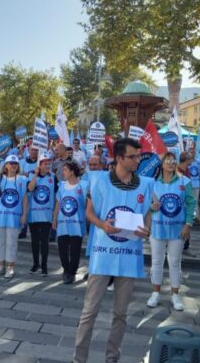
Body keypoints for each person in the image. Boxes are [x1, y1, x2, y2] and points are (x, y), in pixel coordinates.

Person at [73, 138, 152, 363]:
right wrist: (102, 225)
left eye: (138, 156)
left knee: (120, 314)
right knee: (90, 311)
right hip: (103, 252)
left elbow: (147, 216)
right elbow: (89, 212)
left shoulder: (145, 184)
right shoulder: (99, 181)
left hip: (129, 255)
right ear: (119, 158)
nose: (137, 160)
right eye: (133, 157)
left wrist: (146, 230)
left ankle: (112, 357)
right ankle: (78, 359)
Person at [147, 152, 196, 311]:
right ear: (161, 164)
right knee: (156, 262)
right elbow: (145, 204)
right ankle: (155, 293)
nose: (170, 163)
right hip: (157, 228)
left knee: (175, 262)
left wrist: (188, 224)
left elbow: (191, 203)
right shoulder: (153, 183)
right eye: (167, 160)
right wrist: (150, 207)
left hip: (178, 229)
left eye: (172, 161)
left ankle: (175, 294)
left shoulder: (184, 181)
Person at [0, 155, 28, 279]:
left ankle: (10, 266)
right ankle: (1, 265)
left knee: (11, 242)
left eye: (15, 163)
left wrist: (24, 214)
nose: (13, 165)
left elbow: (24, 198)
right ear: (5, 166)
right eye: (10, 163)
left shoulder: (22, 179)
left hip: (14, 216)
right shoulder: (0, 178)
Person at [53, 161, 88, 284]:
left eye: (65, 170)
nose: (63, 172)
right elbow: (58, 203)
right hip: (63, 223)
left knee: (75, 250)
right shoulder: (62, 185)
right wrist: (54, 219)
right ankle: (66, 270)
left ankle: (72, 273)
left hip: (77, 223)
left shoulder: (83, 185)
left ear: (72, 172)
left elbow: (88, 204)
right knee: (62, 249)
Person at [27, 154, 56, 277]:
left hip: (46, 214)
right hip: (33, 214)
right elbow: (30, 188)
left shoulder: (53, 177)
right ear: (39, 165)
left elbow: (56, 195)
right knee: (34, 241)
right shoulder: (31, 175)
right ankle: (35, 264)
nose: (47, 166)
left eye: (48, 164)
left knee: (44, 242)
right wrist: (35, 175)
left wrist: (55, 215)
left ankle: (44, 266)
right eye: (45, 164)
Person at [19, 146, 39, 239]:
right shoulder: (23, 161)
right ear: (29, 150)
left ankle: (35, 229)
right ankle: (23, 229)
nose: (34, 151)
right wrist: (23, 174)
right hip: (25, 189)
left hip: (37, 189)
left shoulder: (40, 162)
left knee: (35, 209)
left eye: (36, 150)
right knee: (25, 209)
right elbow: (18, 173)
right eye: (32, 150)